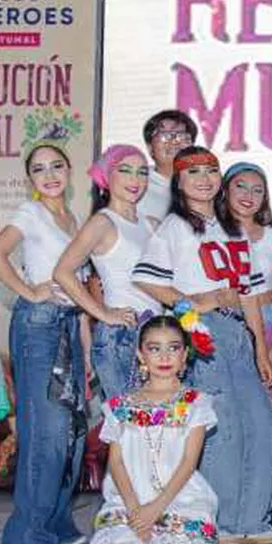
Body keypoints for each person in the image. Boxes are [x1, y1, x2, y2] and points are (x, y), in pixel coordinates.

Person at [132, 146, 272, 544]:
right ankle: (225, 521)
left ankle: (254, 519)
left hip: (238, 334)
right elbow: (146, 278)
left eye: (211, 170)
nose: (204, 178)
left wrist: (261, 349)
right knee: (225, 426)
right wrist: (193, 304)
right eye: (193, 171)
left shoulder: (232, 227)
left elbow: (248, 292)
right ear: (179, 181)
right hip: (203, 330)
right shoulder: (175, 227)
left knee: (264, 425)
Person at [0, 141, 86, 544]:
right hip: (38, 328)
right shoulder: (31, 212)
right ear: (30, 180)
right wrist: (29, 290)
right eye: (39, 169)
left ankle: (56, 523)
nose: (50, 175)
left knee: (73, 431)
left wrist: (83, 335)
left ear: (68, 170)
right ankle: (27, 531)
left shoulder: (73, 218)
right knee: (47, 430)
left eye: (57, 165)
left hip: (68, 325)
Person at [75, 314, 221, 544]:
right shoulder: (120, 406)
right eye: (154, 348)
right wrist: (134, 510)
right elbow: (116, 463)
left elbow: (189, 462)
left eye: (173, 348)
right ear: (141, 355)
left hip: (178, 499)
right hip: (129, 501)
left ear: (185, 354)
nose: (164, 357)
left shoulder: (196, 403)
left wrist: (156, 508)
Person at [55, 146, 155, 403]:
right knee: (128, 425)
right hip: (121, 335)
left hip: (156, 334)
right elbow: (63, 272)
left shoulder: (150, 224)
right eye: (125, 170)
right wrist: (102, 314)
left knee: (155, 427)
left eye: (142, 172)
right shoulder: (103, 222)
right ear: (107, 177)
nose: (135, 180)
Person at [220, 163, 272, 435]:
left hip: (267, 320)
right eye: (240, 186)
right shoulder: (209, 233)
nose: (248, 194)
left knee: (267, 413)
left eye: (258, 190)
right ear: (225, 189)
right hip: (222, 323)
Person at [136, 110, 197, 227]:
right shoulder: (135, 182)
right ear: (150, 148)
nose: (174, 142)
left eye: (181, 136)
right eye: (165, 135)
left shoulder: (208, 184)